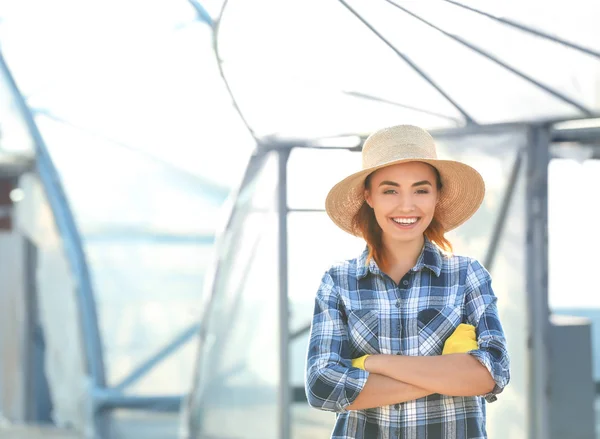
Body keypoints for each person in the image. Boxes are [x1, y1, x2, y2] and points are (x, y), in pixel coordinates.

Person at [305, 125, 510, 439]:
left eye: (421, 189)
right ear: (368, 196)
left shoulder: (467, 275)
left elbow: (493, 372)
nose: (407, 205)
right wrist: (447, 375)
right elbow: (322, 386)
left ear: (436, 195)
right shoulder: (339, 281)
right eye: (390, 190)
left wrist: (373, 363)